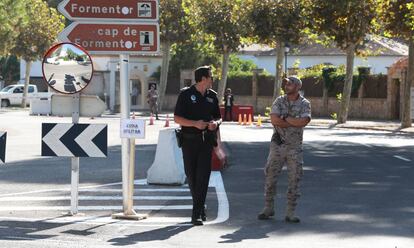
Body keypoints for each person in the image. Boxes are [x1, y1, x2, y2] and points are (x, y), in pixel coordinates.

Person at [257, 76, 311, 223]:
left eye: (290, 84)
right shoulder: (279, 101)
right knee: (270, 175)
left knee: (295, 178)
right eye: (286, 84)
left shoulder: (305, 103)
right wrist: (293, 121)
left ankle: (290, 212)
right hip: (278, 145)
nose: (287, 86)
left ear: (297, 87)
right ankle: (268, 208)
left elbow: (304, 121)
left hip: (294, 147)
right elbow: (274, 119)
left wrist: (285, 119)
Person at [174, 66, 222, 225]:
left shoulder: (212, 96)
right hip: (189, 141)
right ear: (203, 78)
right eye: (211, 76)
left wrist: (215, 123)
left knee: (203, 176)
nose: (212, 79)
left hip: (206, 141)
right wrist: (195, 124)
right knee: (192, 176)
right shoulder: (186, 95)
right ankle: (200, 208)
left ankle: (196, 214)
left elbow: (218, 117)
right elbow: (177, 118)